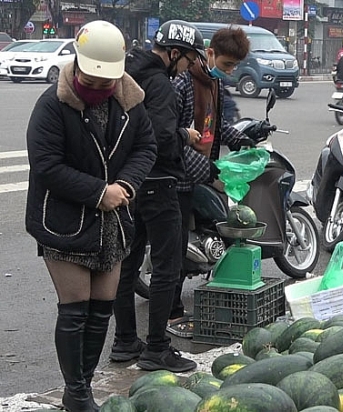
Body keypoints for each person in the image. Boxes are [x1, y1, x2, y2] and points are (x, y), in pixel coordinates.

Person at [25, 20, 157, 411]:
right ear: (77, 66)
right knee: (75, 308)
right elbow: (46, 164)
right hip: (64, 221)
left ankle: (78, 387)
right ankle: (79, 393)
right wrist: (98, 192)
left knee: (102, 306)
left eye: (107, 83)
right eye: (92, 81)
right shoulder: (52, 104)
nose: (99, 89)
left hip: (113, 220)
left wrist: (125, 187)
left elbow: (146, 147)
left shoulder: (130, 101)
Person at [111, 19, 205, 373]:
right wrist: (183, 134)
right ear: (175, 53)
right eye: (187, 60)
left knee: (128, 264)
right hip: (160, 183)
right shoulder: (160, 85)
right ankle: (156, 349)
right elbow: (163, 140)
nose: (187, 68)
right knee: (168, 267)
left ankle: (124, 342)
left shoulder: (127, 76)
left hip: (129, 185)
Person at [168, 27, 254, 338]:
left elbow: (213, 128)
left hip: (200, 172)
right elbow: (174, 138)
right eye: (228, 64)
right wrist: (208, 172)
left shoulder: (212, 82)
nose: (230, 71)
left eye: (234, 66)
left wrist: (242, 139)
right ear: (210, 53)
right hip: (178, 178)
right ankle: (171, 313)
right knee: (175, 248)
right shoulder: (183, 83)